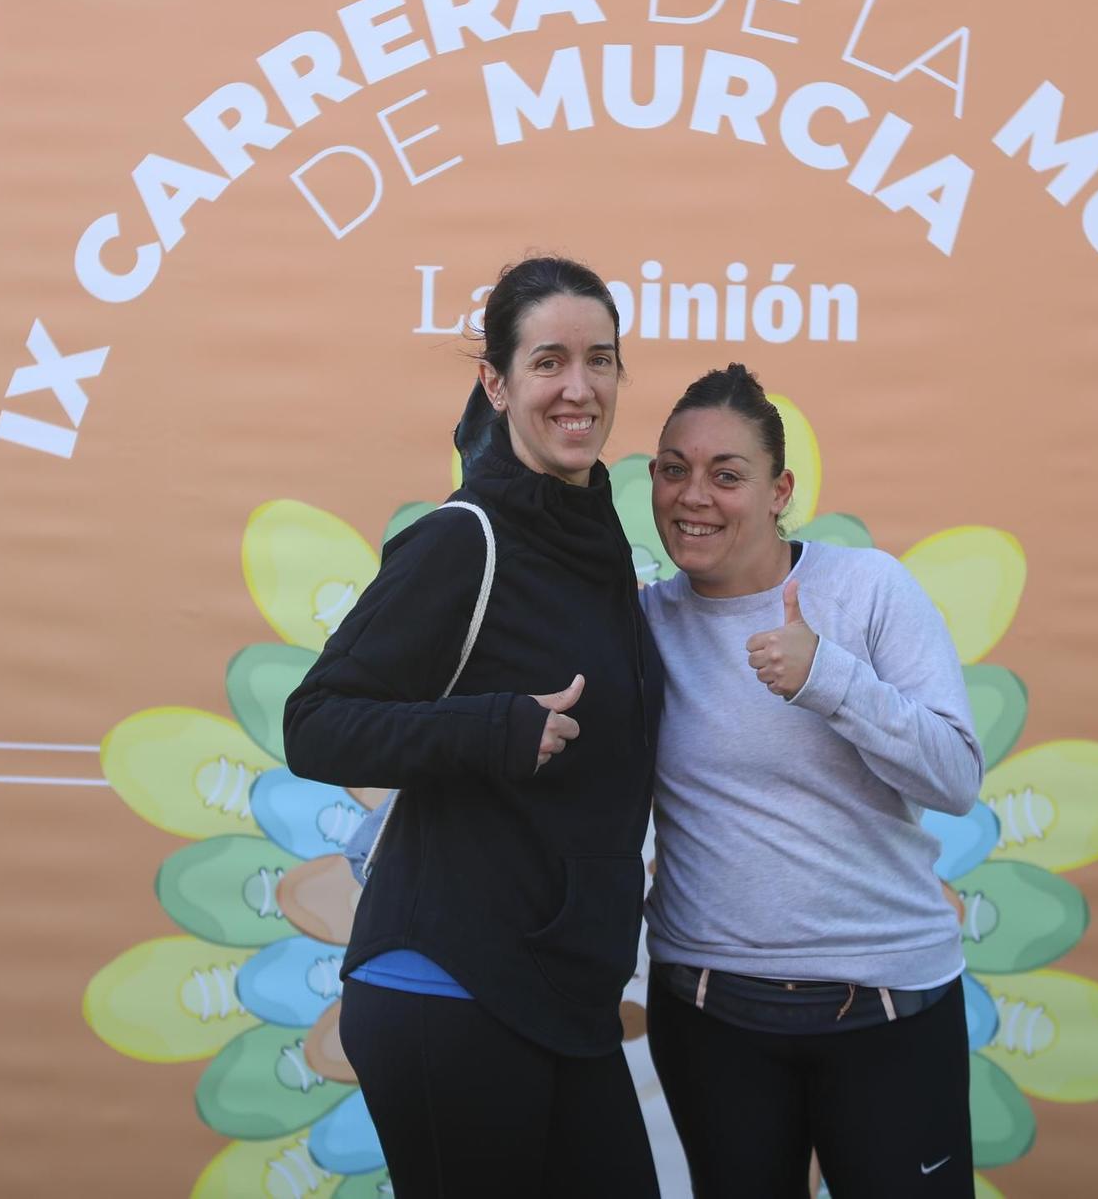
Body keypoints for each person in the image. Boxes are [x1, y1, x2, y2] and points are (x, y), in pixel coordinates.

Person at [282, 256, 664, 1199]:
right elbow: (316, 723)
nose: (579, 388)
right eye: (548, 362)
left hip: (559, 993)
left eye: (601, 360)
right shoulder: (467, 536)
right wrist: (488, 729)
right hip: (446, 987)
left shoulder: (592, 531)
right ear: (496, 382)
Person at [639, 363, 982, 1199]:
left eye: (727, 475)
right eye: (673, 469)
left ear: (779, 488)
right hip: (709, 1011)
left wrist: (828, 676)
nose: (693, 495)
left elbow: (956, 775)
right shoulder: (645, 623)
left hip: (889, 1005)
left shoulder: (866, 588)